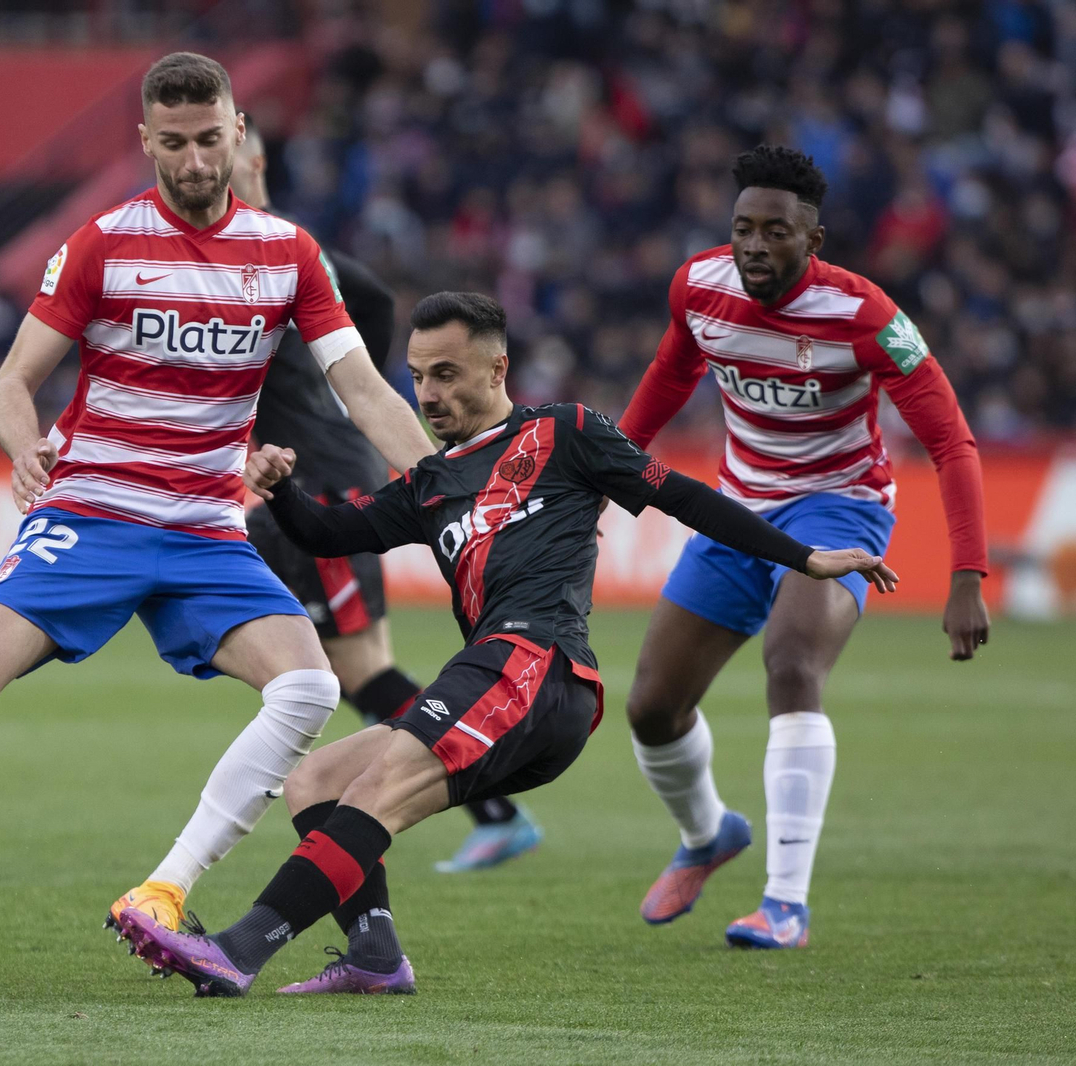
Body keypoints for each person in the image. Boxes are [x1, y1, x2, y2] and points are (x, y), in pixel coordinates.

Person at [0, 52, 436, 977]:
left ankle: (163, 888)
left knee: (312, 688)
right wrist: (22, 445)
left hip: (204, 527)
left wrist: (452, 482)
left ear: (237, 133)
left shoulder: (287, 254)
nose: (195, 163)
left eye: (209, 141)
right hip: (94, 511)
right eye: (174, 145)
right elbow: (13, 383)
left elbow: (362, 389)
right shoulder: (103, 244)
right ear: (145, 143)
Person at [113, 292, 896, 996]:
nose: (430, 394)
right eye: (419, 377)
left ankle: (238, 952)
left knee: (380, 786)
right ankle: (375, 955)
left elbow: (683, 496)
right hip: (500, 680)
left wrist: (805, 557)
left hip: (541, 664)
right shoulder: (431, 482)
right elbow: (331, 533)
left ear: (498, 367)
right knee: (316, 780)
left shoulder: (567, 433)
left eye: (449, 374)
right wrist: (282, 490)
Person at [618, 145, 990, 949]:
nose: (754, 244)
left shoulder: (866, 317)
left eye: (775, 231)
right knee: (650, 708)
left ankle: (785, 904)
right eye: (743, 228)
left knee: (792, 662)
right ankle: (709, 833)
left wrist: (967, 573)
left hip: (839, 510)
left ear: (811, 241)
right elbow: (669, 375)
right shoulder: (698, 287)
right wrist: (611, 466)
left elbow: (953, 442)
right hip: (738, 510)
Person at [231, 118, 543, 872]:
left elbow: (366, 306)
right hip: (326, 466)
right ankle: (491, 799)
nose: (208, 164)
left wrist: (346, 384)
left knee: (359, 669)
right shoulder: (297, 249)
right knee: (350, 666)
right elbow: (366, 295)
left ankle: (494, 797)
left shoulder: (263, 248)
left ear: (254, 156)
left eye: (223, 144)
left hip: (324, 475)